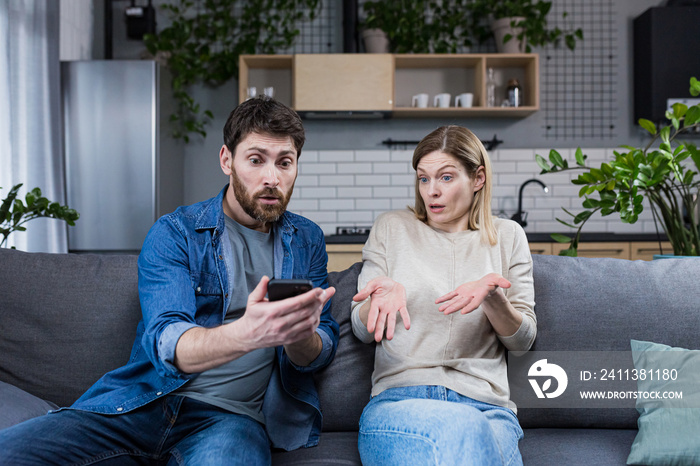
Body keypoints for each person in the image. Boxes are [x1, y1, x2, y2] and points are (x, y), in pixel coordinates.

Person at [0, 96, 339, 465]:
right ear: (227, 160)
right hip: (140, 406)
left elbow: (317, 351)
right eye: (256, 160)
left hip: (229, 421)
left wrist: (299, 334)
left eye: (284, 163)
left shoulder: (306, 239)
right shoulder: (177, 231)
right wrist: (248, 333)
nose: (272, 178)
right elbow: (167, 339)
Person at [351, 125, 536, 466]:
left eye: (446, 178)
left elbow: (523, 340)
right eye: (424, 179)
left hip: (486, 408)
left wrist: (493, 298)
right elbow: (362, 328)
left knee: (471, 430)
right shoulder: (392, 228)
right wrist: (376, 303)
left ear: (477, 178)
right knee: (463, 430)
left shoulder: (508, 237)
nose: (432, 191)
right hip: (401, 404)